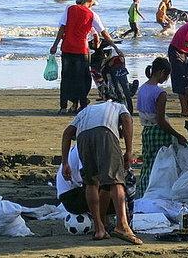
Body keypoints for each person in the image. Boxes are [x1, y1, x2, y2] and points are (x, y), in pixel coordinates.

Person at [60, 99, 142, 244]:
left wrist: (65, 162)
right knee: (117, 180)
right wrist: (129, 151)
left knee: (91, 182)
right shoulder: (118, 106)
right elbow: (127, 120)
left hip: (83, 137)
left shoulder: (85, 111)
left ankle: (99, 229)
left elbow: (67, 133)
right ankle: (122, 225)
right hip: (105, 132)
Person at [50, 0, 121, 115]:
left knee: (66, 78)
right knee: (83, 78)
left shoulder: (70, 8)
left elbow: (62, 28)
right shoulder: (92, 15)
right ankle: (82, 105)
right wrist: (115, 47)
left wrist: (55, 45)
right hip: (81, 50)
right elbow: (104, 33)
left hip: (66, 48)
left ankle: (63, 106)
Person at [135, 56, 188, 194]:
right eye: (167, 75)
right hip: (159, 131)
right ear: (161, 72)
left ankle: (143, 190)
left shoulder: (142, 89)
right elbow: (161, 120)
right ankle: (158, 191)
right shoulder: (160, 93)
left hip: (146, 131)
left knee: (148, 161)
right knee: (161, 164)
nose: (166, 78)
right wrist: (177, 135)